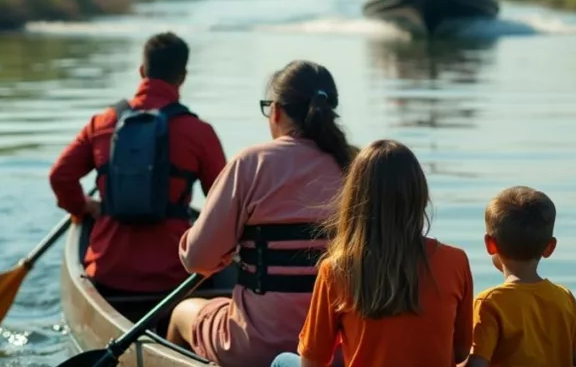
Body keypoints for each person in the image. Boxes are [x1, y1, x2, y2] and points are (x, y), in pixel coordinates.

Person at [166, 60, 355, 367]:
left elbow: (197, 261)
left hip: (255, 347)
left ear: (276, 111)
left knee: (180, 314)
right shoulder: (357, 166)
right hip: (338, 351)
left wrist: (222, 251)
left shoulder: (251, 163)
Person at [48, 32, 227, 298]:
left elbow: (60, 176)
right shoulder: (199, 132)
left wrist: (82, 207)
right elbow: (225, 207)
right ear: (183, 76)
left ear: (142, 70)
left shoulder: (102, 122)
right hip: (175, 276)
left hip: (107, 271)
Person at [270, 139, 474, 367]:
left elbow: (312, 362)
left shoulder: (337, 270)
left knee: (282, 362)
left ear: (355, 200)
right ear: (420, 196)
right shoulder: (456, 262)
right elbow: (461, 351)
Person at [463, 186, 576, 367]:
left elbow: (476, 364)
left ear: (491, 244)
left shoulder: (489, 303)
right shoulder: (564, 298)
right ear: (549, 247)